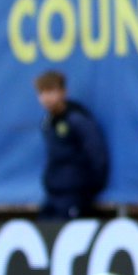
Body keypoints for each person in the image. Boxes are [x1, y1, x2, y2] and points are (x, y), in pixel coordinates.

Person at [34, 70, 109, 220]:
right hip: (54, 194)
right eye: (42, 93)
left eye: (50, 91)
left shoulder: (77, 120)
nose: (46, 98)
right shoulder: (48, 122)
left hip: (75, 195)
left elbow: (98, 156)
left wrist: (85, 189)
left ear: (63, 92)